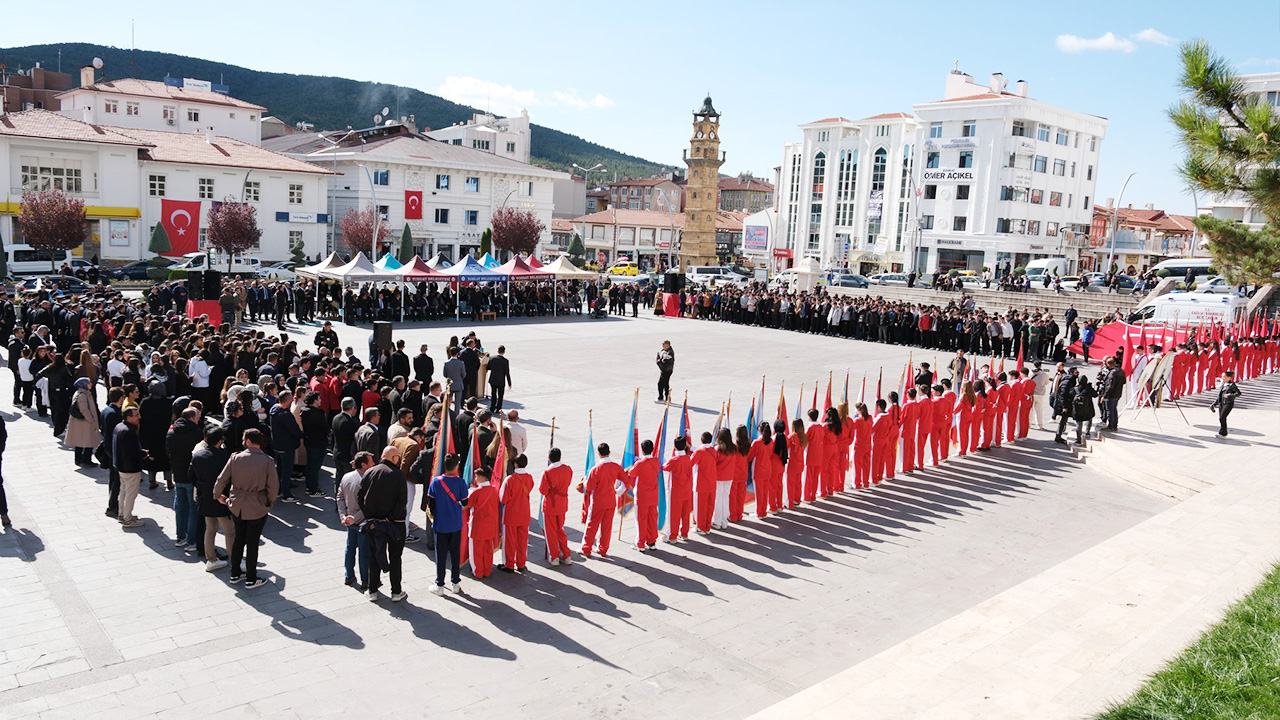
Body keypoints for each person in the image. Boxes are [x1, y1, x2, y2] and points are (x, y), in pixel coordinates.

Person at [214, 428, 279, 588]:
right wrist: (269, 503)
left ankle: (234, 573)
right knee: (252, 543)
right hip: (257, 506)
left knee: (238, 540)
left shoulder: (235, 458)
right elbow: (273, 487)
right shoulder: (267, 461)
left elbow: (221, 479)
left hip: (237, 504)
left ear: (248, 441)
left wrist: (217, 495)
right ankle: (251, 577)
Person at [358, 446, 408, 602]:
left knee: (375, 556)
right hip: (395, 524)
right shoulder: (398, 474)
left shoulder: (370, 472)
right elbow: (402, 500)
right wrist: (390, 518)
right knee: (395, 557)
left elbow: (360, 496)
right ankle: (396, 592)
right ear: (393, 458)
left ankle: (372, 590)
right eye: (398, 456)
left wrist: (369, 516)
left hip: (374, 523)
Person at [427, 454, 469, 594]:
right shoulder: (461, 482)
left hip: (441, 524)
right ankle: (455, 582)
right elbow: (465, 502)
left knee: (441, 555)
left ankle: (439, 584)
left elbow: (431, 503)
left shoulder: (436, 482)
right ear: (456, 466)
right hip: (456, 523)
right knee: (455, 554)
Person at [192, 426, 232, 571]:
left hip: (205, 497)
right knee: (230, 531)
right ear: (219, 441)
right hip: (221, 497)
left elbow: (192, 476)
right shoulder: (222, 456)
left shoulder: (198, 455)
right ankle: (235, 560)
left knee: (210, 529)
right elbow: (228, 477)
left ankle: (211, 560)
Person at [166, 406, 204, 551]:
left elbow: (168, 452)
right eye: (197, 418)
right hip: (191, 476)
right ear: (192, 418)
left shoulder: (171, 432)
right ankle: (191, 540)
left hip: (177, 474)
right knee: (193, 508)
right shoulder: (197, 433)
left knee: (180, 507)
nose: (199, 420)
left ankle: (180, 537)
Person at [337, 451, 375, 590]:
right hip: (361, 522)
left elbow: (340, 497)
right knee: (364, 552)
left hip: (349, 520)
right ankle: (365, 580)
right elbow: (368, 505)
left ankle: (349, 575)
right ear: (364, 465)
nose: (374, 464)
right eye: (371, 461)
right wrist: (355, 518)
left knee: (350, 549)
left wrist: (343, 515)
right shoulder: (367, 480)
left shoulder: (346, 477)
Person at [580, 442, 626, 556]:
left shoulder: (596, 469)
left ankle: (586, 548)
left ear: (599, 453)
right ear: (609, 452)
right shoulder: (616, 467)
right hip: (611, 501)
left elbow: (589, 487)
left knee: (592, 525)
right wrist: (619, 491)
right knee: (606, 527)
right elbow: (626, 480)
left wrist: (585, 481)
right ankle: (603, 548)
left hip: (598, 502)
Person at [498, 454, 533, 572]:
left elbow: (503, 498)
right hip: (524, 513)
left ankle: (509, 564)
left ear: (515, 464)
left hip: (511, 515)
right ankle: (521, 563)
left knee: (509, 541)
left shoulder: (509, 479)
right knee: (522, 540)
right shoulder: (529, 478)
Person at [540, 448, 574, 565]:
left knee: (551, 532)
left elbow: (543, 491)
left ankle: (554, 556)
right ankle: (566, 555)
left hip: (550, 505)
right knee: (560, 530)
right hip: (562, 503)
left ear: (549, 458)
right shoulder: (568, 469)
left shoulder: (547, 472)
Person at [113, 407, 145, 529]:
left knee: (123, 491)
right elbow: (132, 452)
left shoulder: (119, 427)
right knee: (131, 494)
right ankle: (128, 519)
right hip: (130, 467)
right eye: (136, 415)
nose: (139, 417)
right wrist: (143, 454)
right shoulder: (129, 432)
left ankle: (122, 514)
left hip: (121, 466)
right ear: (128, 417)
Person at [627, 439, 661, 550]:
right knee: (652, 519)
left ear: (642, 450)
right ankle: (651, 542)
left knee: (641, 520)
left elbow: (631, 473)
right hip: (653, 495)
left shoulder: (640, 464)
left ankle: (640, 543)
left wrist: (634, 464)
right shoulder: (656, 461)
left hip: (642, 496)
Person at [466, 467, 500, 579]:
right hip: (490, 525)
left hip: (477, 525)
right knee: (488, 549)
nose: (475, 478)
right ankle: (487, 570)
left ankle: (478, 571)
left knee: (476, 550)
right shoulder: (494, 490)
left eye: (476, 476)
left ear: (481, 477)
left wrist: (470, 490)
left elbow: (466, 504)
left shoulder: (476, 492)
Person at [663, 435, 694, 540]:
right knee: (685, 513)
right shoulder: (688, 458)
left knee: (674, 514)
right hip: (686, 489)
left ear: (675, 446)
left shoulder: (674, 460)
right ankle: (684, 533)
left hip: (676, 490)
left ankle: (672, 536)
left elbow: (665, 467)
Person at [66, 377, 99, 467]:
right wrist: (91, 420)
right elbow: (84, 410)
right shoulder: (82, 395)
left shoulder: (81, 393)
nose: (91, 384)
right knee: (89, 441)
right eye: (89, 383)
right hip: (85, 423)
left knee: (80, 441)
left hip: (81, 422)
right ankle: (86, 460)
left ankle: (78, 459)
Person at [691, 431, 718, 533]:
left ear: (701, 440)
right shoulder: (713, 450)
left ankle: (701, 527)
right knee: (709, 507)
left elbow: (690, 462)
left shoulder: (699, 452)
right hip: (712, 482)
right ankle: (707, 527)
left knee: (701, 507)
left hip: (701, 483)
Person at [1210, 370, 1241, 438]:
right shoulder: (1223, 384)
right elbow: (1219, 396)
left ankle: (1224, 433)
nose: (1223, 378)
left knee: (1222, 417)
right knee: (1221, 418)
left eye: (1224, 377)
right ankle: (1222, 432)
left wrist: (1229, 395)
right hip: (1221, 403)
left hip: (1228, 403)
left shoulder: (1232, 385)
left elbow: (1238, 393)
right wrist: (1214, 404)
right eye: (1222, 377)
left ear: (1229, 377)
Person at [1072, 376, 1097, 446]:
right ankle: (1087, 432)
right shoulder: (1088, 388)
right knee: (1089, 419)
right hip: (1088, 408)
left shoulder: (1075, 389)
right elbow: (1095, 395)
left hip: (1077, 409)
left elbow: (1070, 395)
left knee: (1078, 424)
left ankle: (1078, 439)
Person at [486, 345, 512, 412]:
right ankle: (498, 408)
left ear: (497, 351)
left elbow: (488, 367)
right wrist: (509, 383)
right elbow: (507, 373)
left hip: (493, 379)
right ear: (504, 352)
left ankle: (492, 407)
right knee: (500, 396)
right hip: (501, 381)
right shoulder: (505, 361)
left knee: (493, 394)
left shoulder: (492, 358)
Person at [442, 347, 466, 412]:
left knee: (448, 401)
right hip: (458, 384)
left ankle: (448, 413)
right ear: (457, 353)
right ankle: (456, 415)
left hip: (450, 385)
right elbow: (463, 375)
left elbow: (445, 374)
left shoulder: (446, 363)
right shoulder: (461, 363)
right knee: (457, 403)